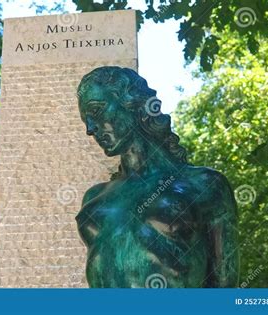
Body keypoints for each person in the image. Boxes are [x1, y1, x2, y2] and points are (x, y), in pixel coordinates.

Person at [75, 66, 239, 288]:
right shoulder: (94, 198)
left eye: (96, 111)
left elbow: (224, 282)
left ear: (131, 102)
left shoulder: (204, 185)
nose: (90, 128)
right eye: (86, 119)